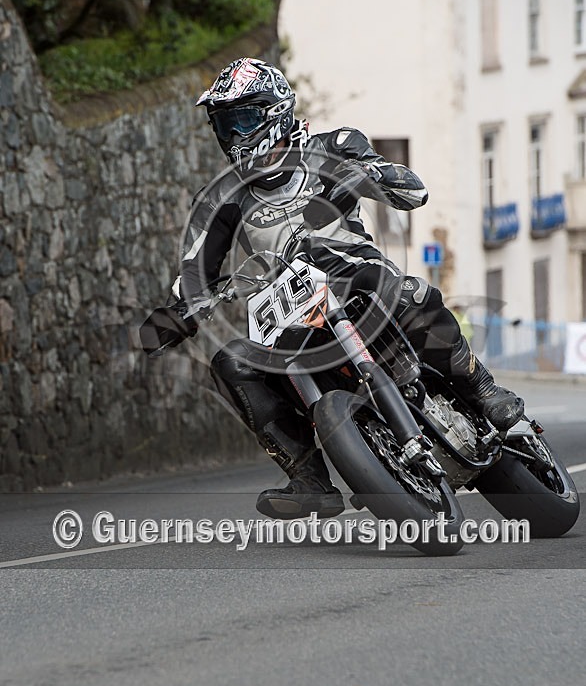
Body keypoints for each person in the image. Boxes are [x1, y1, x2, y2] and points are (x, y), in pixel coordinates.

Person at [140, 57, 524, 520]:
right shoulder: (221, 198)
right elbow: (195, 269)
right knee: (231, 363)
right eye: (224, 123)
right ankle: (308, 478)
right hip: (291, 310)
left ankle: (483, 390)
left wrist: (374, 176)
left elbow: (412, 191)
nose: (234, 133)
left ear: (273, 111)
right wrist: (173, 315)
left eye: (242, 118)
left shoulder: (334, 146)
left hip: (357, 276)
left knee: (410, 293)